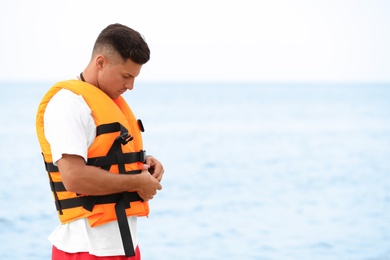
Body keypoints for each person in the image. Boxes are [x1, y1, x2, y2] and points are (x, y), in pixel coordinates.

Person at [36, 23, 164, 260]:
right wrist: (136, 182)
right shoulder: (68, 104)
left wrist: (144, 164)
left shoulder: (108, 101)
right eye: (126, 76)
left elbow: (105, 158)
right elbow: (74, 177)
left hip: (124, 246)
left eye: (134, 77)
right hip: (86, 249)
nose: (130, 86)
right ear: (101, 62)